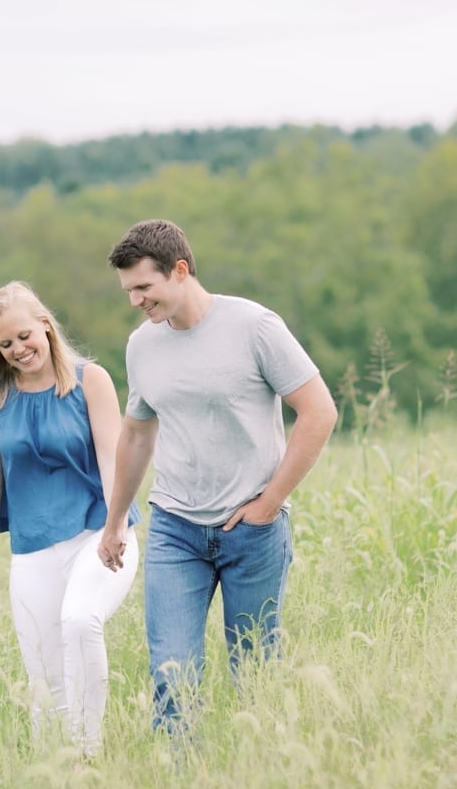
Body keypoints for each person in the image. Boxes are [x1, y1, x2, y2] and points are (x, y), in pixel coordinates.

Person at [97, 219, 337, 737]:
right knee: (171, 674)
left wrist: (270, 503)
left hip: (251, 530)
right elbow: (136, 435)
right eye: (128, 291)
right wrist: (115, 521)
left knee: (254, 673)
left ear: (179, 270)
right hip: (174, 530)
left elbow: (318, 411)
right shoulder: (142, 346)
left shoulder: (254, 327)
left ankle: (260, 780)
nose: (135, 300)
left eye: (144, 287)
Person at [0, 280, 141, 759]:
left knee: (80, 621)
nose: (18, 349)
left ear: (45, 325)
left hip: (98, 532)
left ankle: (90, 756)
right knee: (43, 674)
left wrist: (116, 528)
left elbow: (113, 457)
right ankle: (56, 774)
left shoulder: (91, 380)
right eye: (5, 345)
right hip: (33, 546)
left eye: (24, 336)